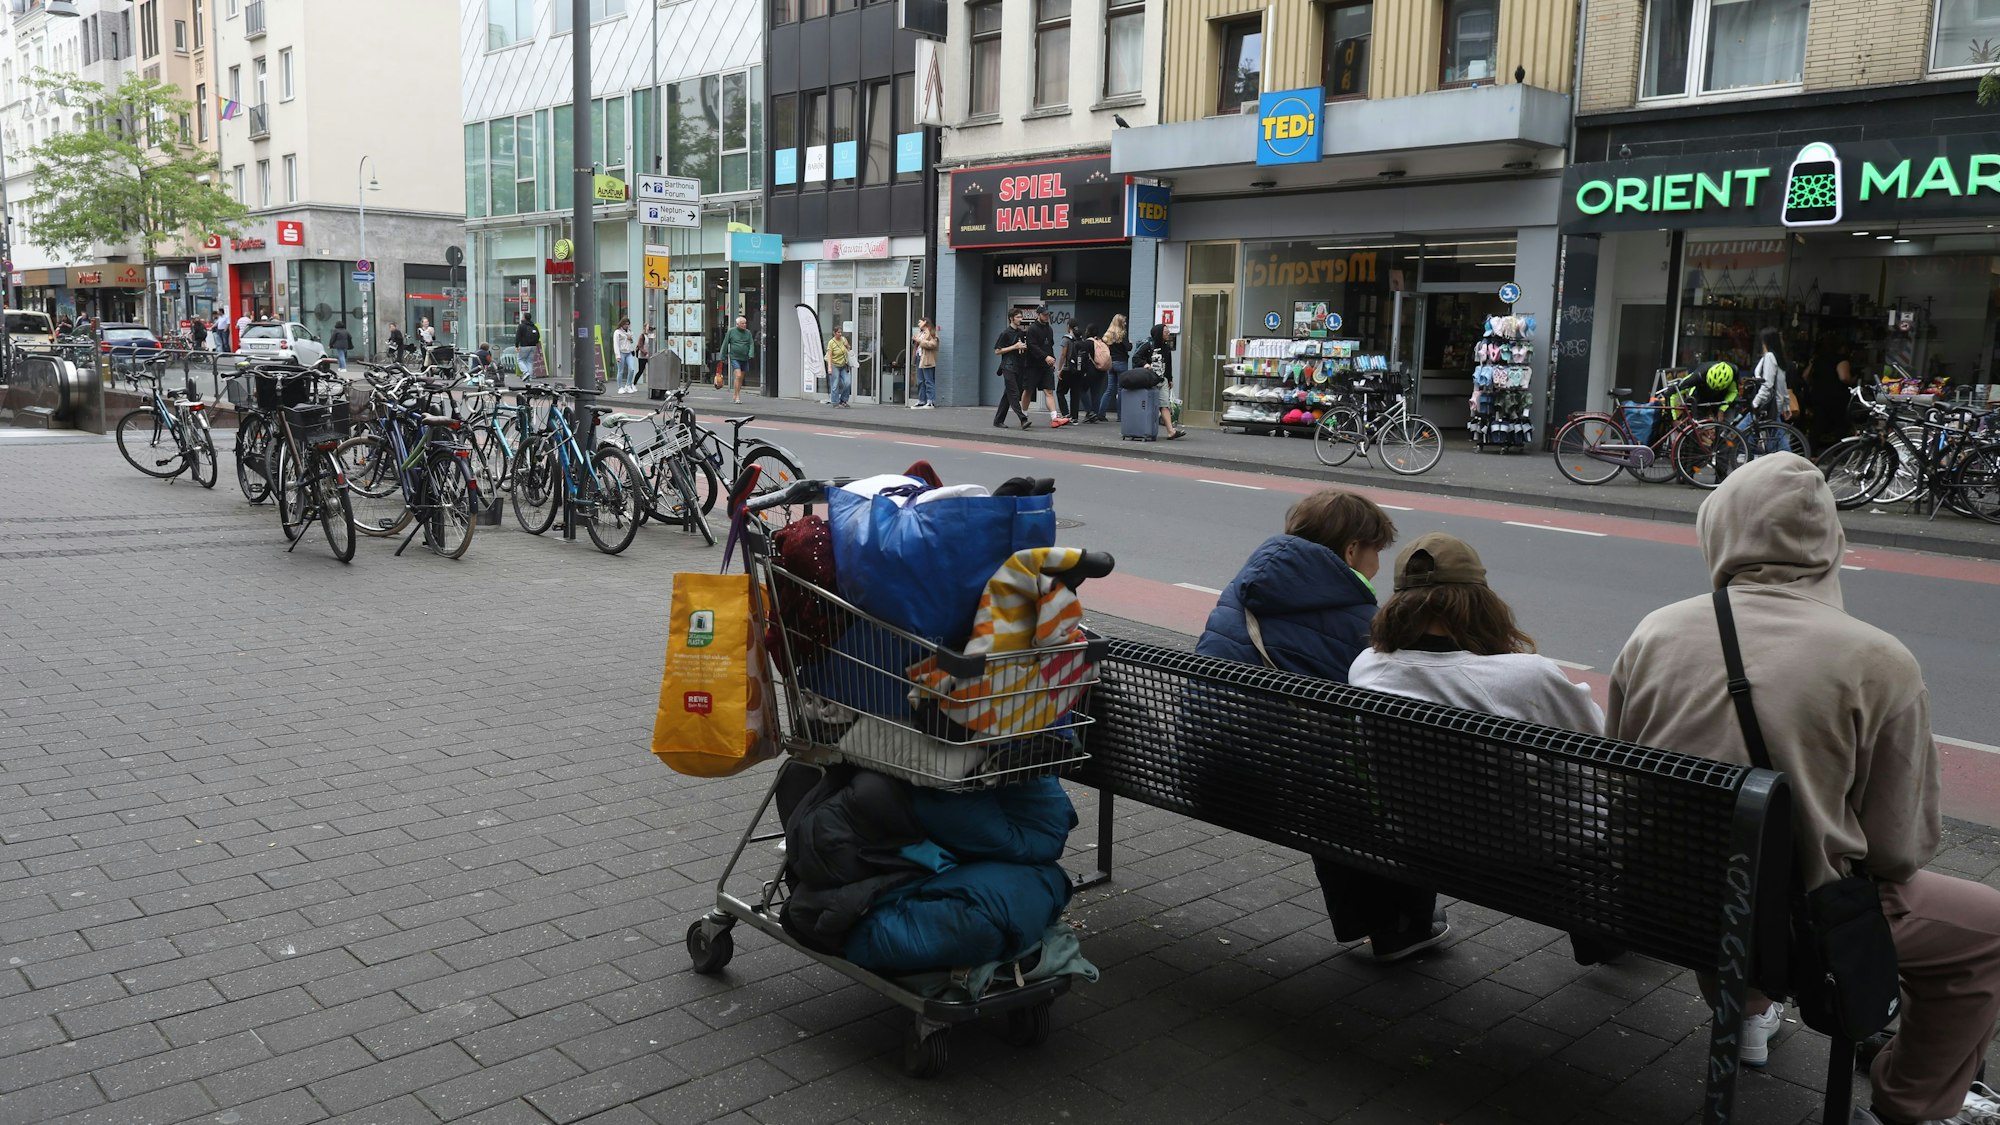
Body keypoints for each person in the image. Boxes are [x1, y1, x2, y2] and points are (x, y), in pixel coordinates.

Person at [1610, 452, 2000, 1113]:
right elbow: (1898, 852)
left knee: (1724, 846)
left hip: (1661, 899)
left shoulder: (1655, 631)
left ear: (1718, 529)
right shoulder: (1877, 659)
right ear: (1831, 543)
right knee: (1987, 931)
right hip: (1787, 931)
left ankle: (1747, 1011)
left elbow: (1625, 781)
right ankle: (1914, 1100)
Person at [1197, 491, 1441, 960]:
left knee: (1316, 757)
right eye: (1375, 551)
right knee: (1381, 776)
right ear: (1351, 551)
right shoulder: (1361, 620)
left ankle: (1370, 920)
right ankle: (1399, 925)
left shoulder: (1241, 591)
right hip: (1279, 787)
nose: (1376, 565)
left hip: (1203, 764)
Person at [1130, 323, 1187, 439]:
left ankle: (1170, 431)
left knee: (1164, 405)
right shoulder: (1148, 345)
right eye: (1166, 332)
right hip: (1150, 379)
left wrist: (1170, 379)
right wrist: (1145, 364)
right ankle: (1146, 430)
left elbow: (1168, 364)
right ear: (1159, 333)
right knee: (1150, 405)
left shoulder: (1166, 347)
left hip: (1162, 380)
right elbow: (1135, 358)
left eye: (1168, 332)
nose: (1168, 334)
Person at [1803, 334, 1856, 450]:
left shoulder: (1818, 359)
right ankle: (1839, 451)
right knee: (1840, 424)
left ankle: (1811, 451)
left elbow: (1805, 376)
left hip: (1818, 395)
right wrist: (1853, 380)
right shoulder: (1841, 360)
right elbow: (1844, 377)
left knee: (1817, 424)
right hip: (1836, 397)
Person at [991, 309, 1031, 429]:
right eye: (1018, 317)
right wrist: (1014, 346)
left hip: (1019, 366)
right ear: (1011, 318)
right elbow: (997, 351)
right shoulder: (1005, 333)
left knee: (1008, 395)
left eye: (1021, 317)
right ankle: (1023, 419)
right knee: (1014, 393)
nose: (1020, 319)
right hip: (1008, 367)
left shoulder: (1021, 333)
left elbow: (1021, 348)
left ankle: (998, 420)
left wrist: (1023, 347)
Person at [1024, 307, 1062, 421]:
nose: (1046, 317)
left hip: (1046, 366)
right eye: (1044, 315)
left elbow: (1049, 346)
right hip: (1032, 365)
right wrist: (1045, 357)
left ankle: (1054, 417)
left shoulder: (1049, 329)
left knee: (1049, 391)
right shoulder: (1032, 329)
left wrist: (1053, 359)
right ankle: (1023, 415)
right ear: (1038, 314)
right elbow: (1032, 346)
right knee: (1028, 390)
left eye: (1047, 315)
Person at [1750, 326, 1791, 424]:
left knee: (1740, 430)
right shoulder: (1778, 358)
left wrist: (1755, 402)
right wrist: (1786, 405)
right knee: (1774, 430)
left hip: (1766, 405)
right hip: (1774, 405)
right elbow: (1782, 384)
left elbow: (1767, 384)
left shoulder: (1769, 357)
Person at [1055, 321, 1092, 426]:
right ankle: (1074, 417)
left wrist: (1059, 369)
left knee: (1060, 392)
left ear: (1068, 327)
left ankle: (1066, 414)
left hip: (1067, 370)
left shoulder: (1066, 339)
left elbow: (1063, 354)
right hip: (1079, 371)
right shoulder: (1081, 340)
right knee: (1075, 394)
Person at [723, 314, 756, 405]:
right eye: (742, 323)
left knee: (740, 378)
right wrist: (722, 356)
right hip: (735, 357)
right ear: (737, 324)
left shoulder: (748, 333)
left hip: (744, 358)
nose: (744, 325)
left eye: (745, 323)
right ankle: (737, 397)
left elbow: (751, 343)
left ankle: (735, 394)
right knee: (738, 375)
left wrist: (751, 353)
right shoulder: (731, 332)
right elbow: (725, 343)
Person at [911, 317, 939, 409]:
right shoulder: (920, 332)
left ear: (925, 322)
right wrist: (915, 340)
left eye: (920, 322)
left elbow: (933, 344)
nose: (918, 324)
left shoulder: (932, 332)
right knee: (920, 381)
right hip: (919, 357)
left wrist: (920, 341)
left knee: (928, 380)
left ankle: (931, 401)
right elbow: (918, 344)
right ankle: (921, 400)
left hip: (927, 359)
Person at [825, 326, 853, 407]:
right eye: (838, 332)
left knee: (848, 383)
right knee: (835, 385)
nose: (840, 334)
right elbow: (829, 356)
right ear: (834, 333)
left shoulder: (843, 339)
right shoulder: (831, 342)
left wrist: (847, 346)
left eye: (841, 332)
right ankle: (835, 402)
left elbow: (849, 350)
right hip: (835, 365)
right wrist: (829, 368)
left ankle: (843, 400)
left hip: (843, 365)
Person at [514, 312, 541, 380]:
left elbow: (518, 336)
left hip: (524, 346)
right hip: (533, 346)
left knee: (520, 360)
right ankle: (530, 377)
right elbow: (538, 336)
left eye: (522, 316)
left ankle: (526, 373)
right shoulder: (534, 326)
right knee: (530, 361)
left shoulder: (521, 326)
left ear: (524, 318)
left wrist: (516, 345)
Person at [612, 318, 637, 394]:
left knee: (632, 369)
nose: (627, 326)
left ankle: (628, 385)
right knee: (620, 371)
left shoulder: (630, 331)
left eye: (628, 324)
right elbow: (616, 344)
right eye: (626, 324)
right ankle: (620, 387)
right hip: (621, 352)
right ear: (622, 324)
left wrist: (631, 339)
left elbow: (632, 342)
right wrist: (617, 356)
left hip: (629, 352)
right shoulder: (617, 332)